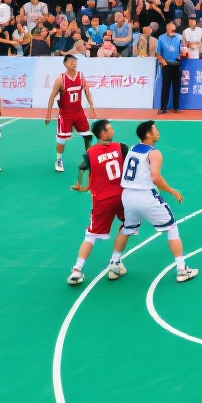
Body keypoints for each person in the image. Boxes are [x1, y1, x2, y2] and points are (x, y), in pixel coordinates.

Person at [119, 121, 198, 283]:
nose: (158, 132)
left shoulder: (133, 149)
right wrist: (172, 190)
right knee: (172, 227)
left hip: (127, 195)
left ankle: (114, 264)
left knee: (126, 229)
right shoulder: (154, 153)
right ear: (148, 134)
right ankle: (182, 269)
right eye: (155, 129)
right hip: (145, 195)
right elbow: (155, 177)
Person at [67, 119, 130, 285]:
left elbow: (81, 168)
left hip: (101, 200)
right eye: (110, 129)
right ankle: (115, 263)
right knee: (127, 225)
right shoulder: (122, 147)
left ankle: (77, 269)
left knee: (90, 236)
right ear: (103, 133)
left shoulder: (90, 153)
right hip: (122, 197)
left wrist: (81, 185)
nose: (113, 131)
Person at [45, 54, 97, 173]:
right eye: (71, 61)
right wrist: (48, 114)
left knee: (88, 136)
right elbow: (52, 97)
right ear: (65, 64)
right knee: (61, 140)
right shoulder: (60, 79)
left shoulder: (81, 76)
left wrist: (92, 107)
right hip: (65, 114)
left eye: (75, 61)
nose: (74, 63)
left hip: (79, 112)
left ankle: (89, 159)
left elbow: (87, 92)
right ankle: (58, 160)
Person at [156, 21, 183, 115]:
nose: (172, 31)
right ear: (167, 28)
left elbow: (183, 50)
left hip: (176, 64)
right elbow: (158, 53)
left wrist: (182, 55)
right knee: (165, 87)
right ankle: (163, 108)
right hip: (166, 64)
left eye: (174, 29)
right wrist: (163, 62)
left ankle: (176, 108)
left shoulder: (180, 37)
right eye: (171, 29)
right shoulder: (161, 38)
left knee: (176, 87)